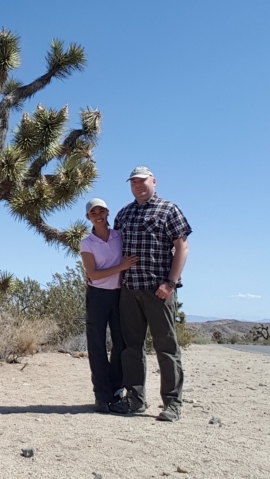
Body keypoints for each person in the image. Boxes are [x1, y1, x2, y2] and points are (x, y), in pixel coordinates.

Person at [112, 167, 192, 422]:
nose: (137, 185)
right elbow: (115, 249)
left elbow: (182, 247)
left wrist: (170, 282)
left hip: (159, 290)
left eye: (142, 181)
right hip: (130, 289)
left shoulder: (169, 209)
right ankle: (135, 400)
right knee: (131, 348)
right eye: (133, 182)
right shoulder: (124, 214)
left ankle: (172, 403)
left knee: (166, 346)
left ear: (153, 182)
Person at [80, 198, 137, 414]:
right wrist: (120, 266)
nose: (98, 215)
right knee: (97, 345)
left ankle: (116, 390)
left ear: (108, 212)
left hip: (119, 294)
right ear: (88, 217)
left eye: (101, 211)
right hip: (97, 296)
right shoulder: (87, 243)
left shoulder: (119, 237)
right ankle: (101, 396)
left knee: (121, 343)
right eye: (93, 213)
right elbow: (93, 274)